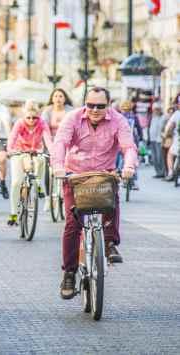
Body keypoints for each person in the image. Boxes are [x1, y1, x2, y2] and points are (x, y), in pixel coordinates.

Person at [51, 87, 137, 300]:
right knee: (73, 223)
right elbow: (60, 143)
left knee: (112, 201)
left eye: (100, 106)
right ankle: (69, 273)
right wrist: (58, 166)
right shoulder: (72, 118)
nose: (95, 110)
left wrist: (129, 167)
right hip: (75, 175)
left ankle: (109, 243)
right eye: (90, 105)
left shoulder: (118, 121)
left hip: (103, 174)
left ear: (108, 105)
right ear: (84, 104)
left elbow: (129, 147)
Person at [6, 100, 52, 226]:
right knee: (16, 182)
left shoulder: (42, 124)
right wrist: (10, 150)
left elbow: (48, 139)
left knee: (42, 160)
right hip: (19, 152)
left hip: (35, 151)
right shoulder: (19, 123)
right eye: (29, 117)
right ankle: (14, 213)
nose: (32, 120)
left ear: (38, 116)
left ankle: (38, 184)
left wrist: (52, 152)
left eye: (35, 117)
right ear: (24, 116)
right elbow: (12, 137)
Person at [41, 88, 73, 211]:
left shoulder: (70, 111)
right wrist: (51, 148)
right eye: (56, 96)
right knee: (48, 170)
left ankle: (66, 198)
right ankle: (48, 198)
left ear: (65, 98)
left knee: (68, 170)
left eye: (61, 96)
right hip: (51, 144)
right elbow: (45, 130)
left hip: (67, 144)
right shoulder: (47, 111)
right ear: (52, 98)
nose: (58, 98)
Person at [118, 100, 143, 190]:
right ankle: (134, 181)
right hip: (132, 141)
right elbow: (139, 129)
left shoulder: (119, 117)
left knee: (121, 160)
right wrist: (140, 139)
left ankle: (121, 178)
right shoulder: (134, 117)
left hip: (121, 142)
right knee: (133, 161)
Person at [162, 93, 180, 181]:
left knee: (170, 154)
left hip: (177, 139)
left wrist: (166, 135)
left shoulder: (177, 114)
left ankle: (170, 172)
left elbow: (171, 126)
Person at [148, 102, 166, 178]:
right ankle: (158, 172)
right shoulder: (152, 117)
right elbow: (150, 127)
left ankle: (162, 172)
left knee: (160, 157)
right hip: (152, 139)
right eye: (154, 109)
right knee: (154, 157)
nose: (155, 111)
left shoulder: (164, 117)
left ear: (160, 110)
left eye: (157, 109)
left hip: (159, 140)